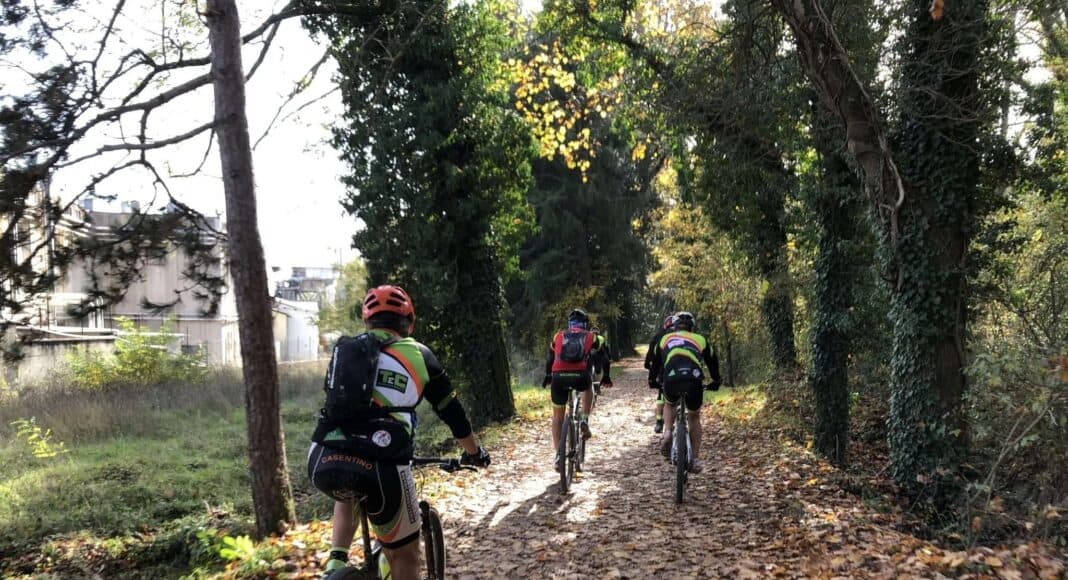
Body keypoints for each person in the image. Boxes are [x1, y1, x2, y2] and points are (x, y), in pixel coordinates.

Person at [307, 285, 490, 579]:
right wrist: (474, 453)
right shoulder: (420, 355)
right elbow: (453, 415)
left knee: (348, 481)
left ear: (367, 322)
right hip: (383, 465)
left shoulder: (348, 350)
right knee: (406, 555)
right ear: (410, 322)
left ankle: (335, 564)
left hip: (321, 457)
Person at [648, 311, 721, 474]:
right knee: (694, 416)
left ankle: (667, 433)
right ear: (692, 327)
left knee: (669, 403)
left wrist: (652, 380)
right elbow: (712, 362)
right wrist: (716, 381)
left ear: (674, 326)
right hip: (693, 380)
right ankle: (694, 459)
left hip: (671, 379)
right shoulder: (701, 339)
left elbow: (655, 364)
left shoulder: (665, 339)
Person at [543, 308, 598, 467]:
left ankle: (559, 455)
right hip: (581, 376)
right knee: (588, 387)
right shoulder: (590, 336)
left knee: (557, 418)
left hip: (558, 378)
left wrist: (548, 376)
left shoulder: (558, 335)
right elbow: (601, 348)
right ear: (585, 324)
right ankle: (584, 418)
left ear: (569, 324)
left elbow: (550, 356)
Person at [644, 315, 675, 433]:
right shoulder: (683, 334)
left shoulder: (660, 335)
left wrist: (648, 364)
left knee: (662, 393)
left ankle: (659, 421)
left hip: (664, 368)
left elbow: (652, 350)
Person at [589, 326, 614, 393]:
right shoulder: (601, 338)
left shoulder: (588, 338)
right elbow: (606, 348)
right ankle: (597, 387)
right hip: (599, 356)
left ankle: (594, 387)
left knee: (593, 371)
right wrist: (609, 358)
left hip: (590, 357)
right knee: (598, 371)